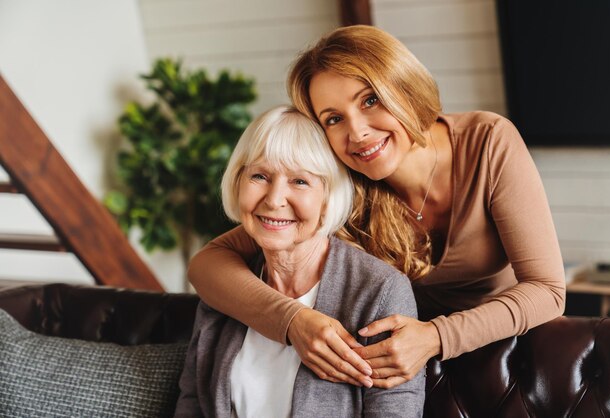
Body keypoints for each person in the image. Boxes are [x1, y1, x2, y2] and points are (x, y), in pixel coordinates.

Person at [187, 25, 566, 390]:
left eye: (370, 100)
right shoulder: (343, 182)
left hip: (503, 354)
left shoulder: (487, 142)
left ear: (403, 87)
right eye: (333, 119)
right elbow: (207, 264)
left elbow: (548, 290)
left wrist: (434, 337)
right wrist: (292, 321)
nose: (357, 133)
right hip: (391, 369)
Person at [175, 105, 425, 417]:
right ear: (237, 181)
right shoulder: (228, 285)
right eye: (259, 176)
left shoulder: (379, 290)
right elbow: (193, 402)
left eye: (300, 181)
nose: (274, 198)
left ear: (328, 197)